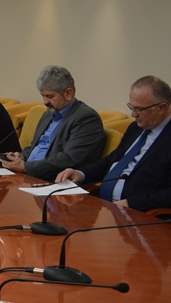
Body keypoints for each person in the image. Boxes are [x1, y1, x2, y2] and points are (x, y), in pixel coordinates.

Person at [56, 76, 171, 212]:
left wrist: (131, 203)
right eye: (131, 107)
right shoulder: (135, 128)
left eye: (139, 109)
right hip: (105, 205)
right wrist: (81, 174)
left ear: (161, 108)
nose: (133, 114)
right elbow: (112, 161)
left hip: (138, 213)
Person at [0, 66, 105, 181]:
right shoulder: (48, 114)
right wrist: (20, 157)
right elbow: (35, 147)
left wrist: (25, 167)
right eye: (43, 96)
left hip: (54, 181)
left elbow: (68, 159)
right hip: (28, 176)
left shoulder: (86, 119)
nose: (44, 102)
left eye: (49, 96)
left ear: (68, 93)